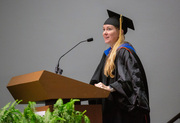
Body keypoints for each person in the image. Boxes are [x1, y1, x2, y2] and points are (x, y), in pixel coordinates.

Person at [89, 9, 150, 123]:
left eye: (109, 29)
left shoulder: (124, 52)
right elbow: (96, 79)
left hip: (124, 113)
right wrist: (96, 87)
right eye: (103, 29)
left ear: (120, 31)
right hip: (111, 110)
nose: (105, 33)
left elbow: (130, 82)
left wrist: (111, 88)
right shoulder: (107, 54)